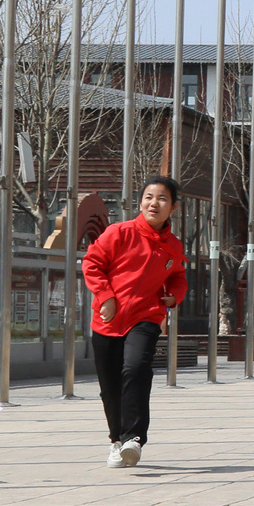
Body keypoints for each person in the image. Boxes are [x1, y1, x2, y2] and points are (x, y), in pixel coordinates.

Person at [81, 175, 187, 469]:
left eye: (162, 198)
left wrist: (173, 297)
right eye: (149, 197)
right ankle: (117, 441)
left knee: (136, 368)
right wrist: (106, 296)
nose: (154, 203)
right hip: (107, 319)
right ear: (140, 203)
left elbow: (178, 277)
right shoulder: (119, 232)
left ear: (173, 208)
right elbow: (92, 263)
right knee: (110, 385)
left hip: (146, 316)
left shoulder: (173, 246)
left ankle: (134, 438)